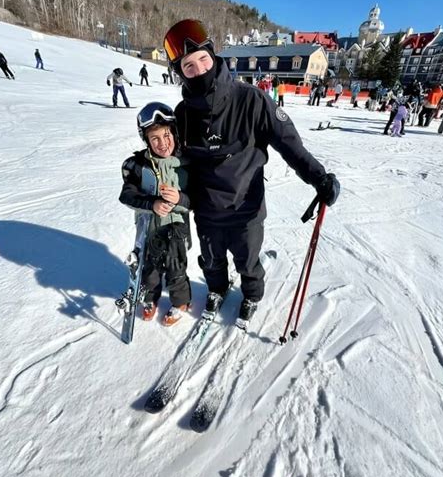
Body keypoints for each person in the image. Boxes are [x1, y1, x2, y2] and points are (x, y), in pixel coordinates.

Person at [163, 19, 340, 327]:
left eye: (203, 59)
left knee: (247, 261)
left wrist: (318, 176)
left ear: (213, 56)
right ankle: (217, 290)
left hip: (246, 208)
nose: (199, 70)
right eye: (189, 66)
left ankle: (252, 295)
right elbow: (176, 160)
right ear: (180, 72)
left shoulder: (252, 100)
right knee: (211, 261)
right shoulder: (182, 114)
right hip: (206, 210)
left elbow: (289, 143)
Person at [119, 102, 192, 325]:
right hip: (149, 229)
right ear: (147, 140)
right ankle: (150, 298)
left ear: (174, 133)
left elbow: (195, 200)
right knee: (149, 269)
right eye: (155, 138)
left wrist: (179, 198)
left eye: (166, 135)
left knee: (175, 268)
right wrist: (152, 204)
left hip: (176, 228)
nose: (162, 143)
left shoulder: (186, 164)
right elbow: (127, 195)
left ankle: (181, 301)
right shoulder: (139, 165)